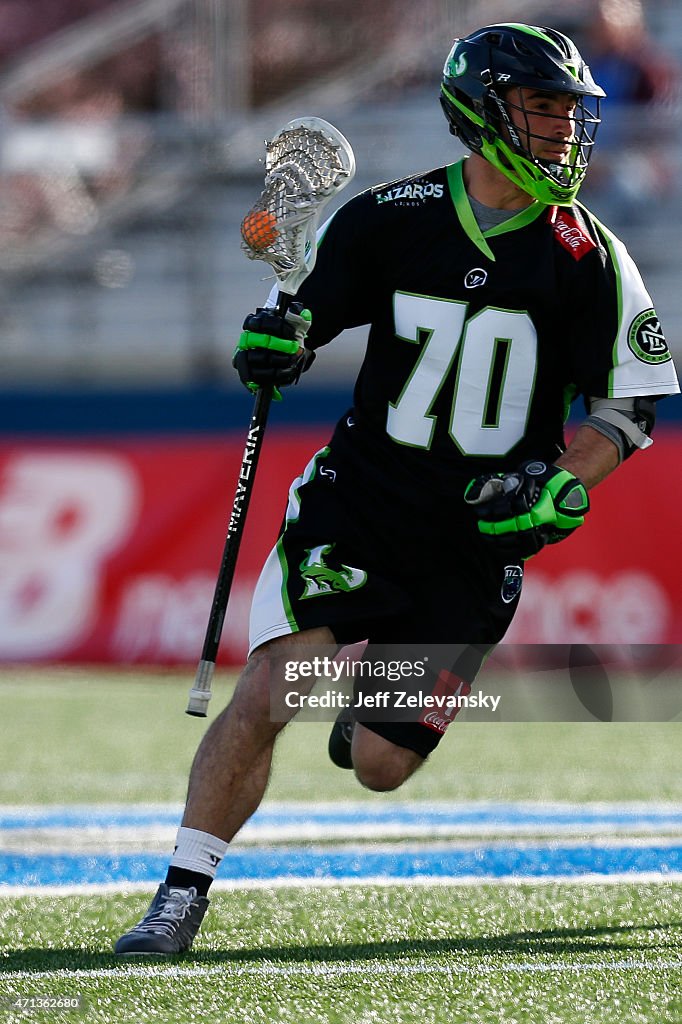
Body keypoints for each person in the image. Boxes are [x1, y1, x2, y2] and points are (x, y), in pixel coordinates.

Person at [114, 22, 679, 954]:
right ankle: (179, 893)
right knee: (271, 684)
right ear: (483, 113)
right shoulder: (389, 218)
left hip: (481, 533)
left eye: (570, 115)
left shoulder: (591, 258)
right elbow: (299, 328)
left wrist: (562, 488)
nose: (564, 133)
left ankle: (367, 713)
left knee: (379, 766)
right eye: (542, 110)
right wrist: (273, 346)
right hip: (363, 502)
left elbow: (628, 406)